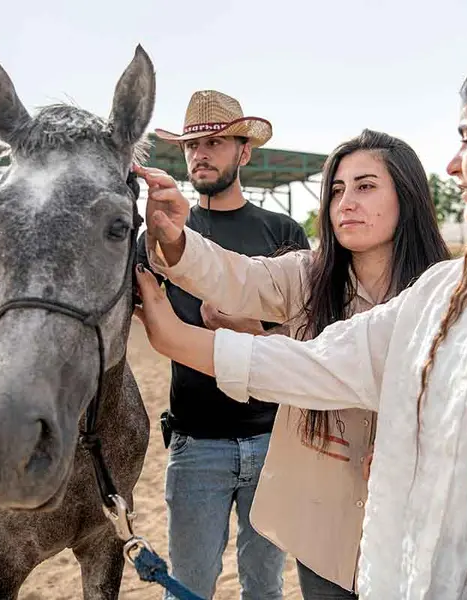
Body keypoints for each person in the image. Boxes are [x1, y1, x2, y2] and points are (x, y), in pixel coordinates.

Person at [134, 40, 467, 600]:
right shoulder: (435, 292)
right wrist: (177, 259)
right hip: (327, 530)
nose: (453, 164)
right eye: (337, 190)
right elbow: (280, 322)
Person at [135, 128, 449, 599]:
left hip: (415, 525)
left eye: (365, 187)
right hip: (322, 528)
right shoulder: (306, 276)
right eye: (337, 190)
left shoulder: (444, 294)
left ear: (407, 197)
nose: (345, 202)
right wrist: (177, 240)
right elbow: (236, 277)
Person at [135, 89, 310, 600]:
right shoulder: (163, 229)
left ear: (244, 152)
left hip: (274, 440)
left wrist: (245, 327)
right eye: (192, 146)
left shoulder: (282, 231)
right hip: (196, 445)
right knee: (188, 589)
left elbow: (308, 333)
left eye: (214, 142)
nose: (200, 155)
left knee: (265, 588)